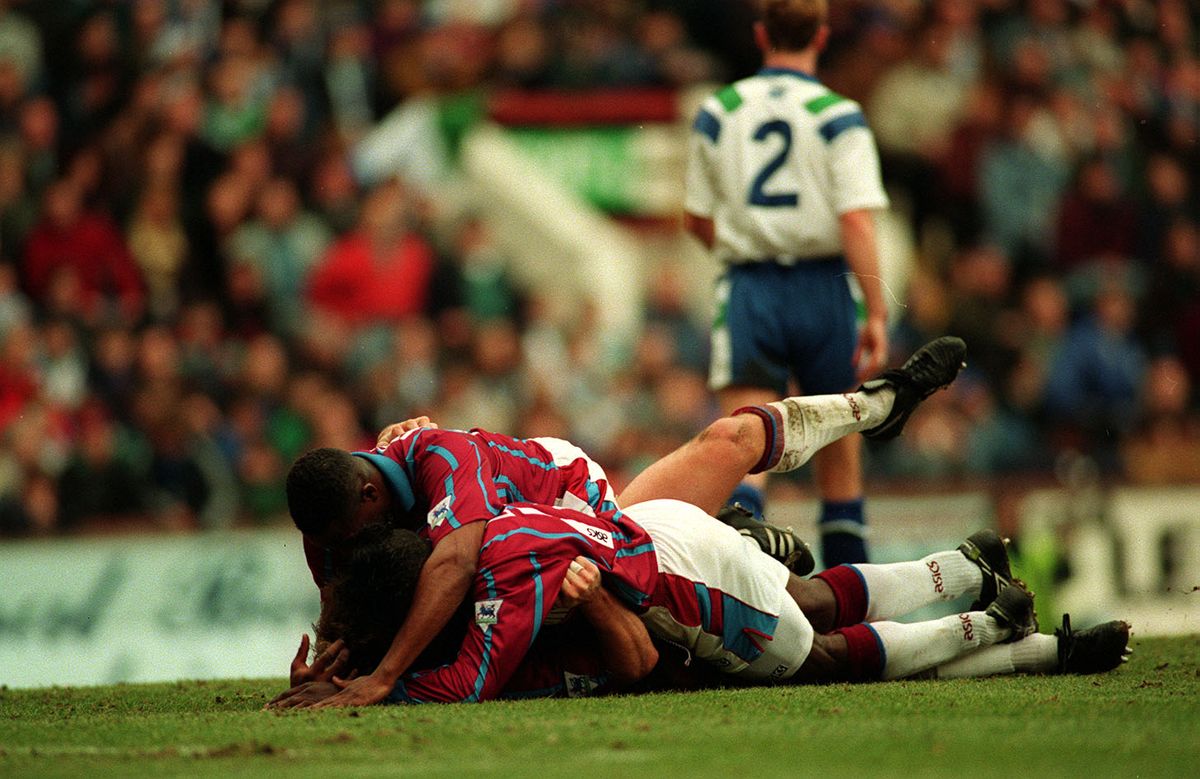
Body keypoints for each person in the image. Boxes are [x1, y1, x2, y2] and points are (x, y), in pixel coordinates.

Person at [283, 337, 967, 707]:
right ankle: (748, 542)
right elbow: (342, 601)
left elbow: (458, 560)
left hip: (581, 508)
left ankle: (877, 405)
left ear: (371, 495)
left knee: (724, 445)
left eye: (341, 541)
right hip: (540, 554)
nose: (336, 555)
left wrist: (384, 674)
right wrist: (335, 655)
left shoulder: (440, 457)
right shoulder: (338, 516)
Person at [269, 499, 1130, 707]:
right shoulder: (447, 521)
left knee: (809, 659)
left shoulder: (492, 589)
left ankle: (992, 619)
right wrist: (347, 654)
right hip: (649, 524)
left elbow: (470, 677)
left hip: (671, 577)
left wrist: (385, 683)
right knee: (807, 601)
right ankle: (969, 570)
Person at [683, 0, 891, 567]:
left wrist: (743, 249)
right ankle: (852, 605)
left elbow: (697, 220)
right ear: (821, 37)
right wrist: (876, 311)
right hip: (824, 289)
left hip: (752, 289)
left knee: (746, 448)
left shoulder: (719, 110)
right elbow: (855, 220)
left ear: (760, 34)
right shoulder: (839, 114)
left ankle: (752, 609)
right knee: (839, 451)